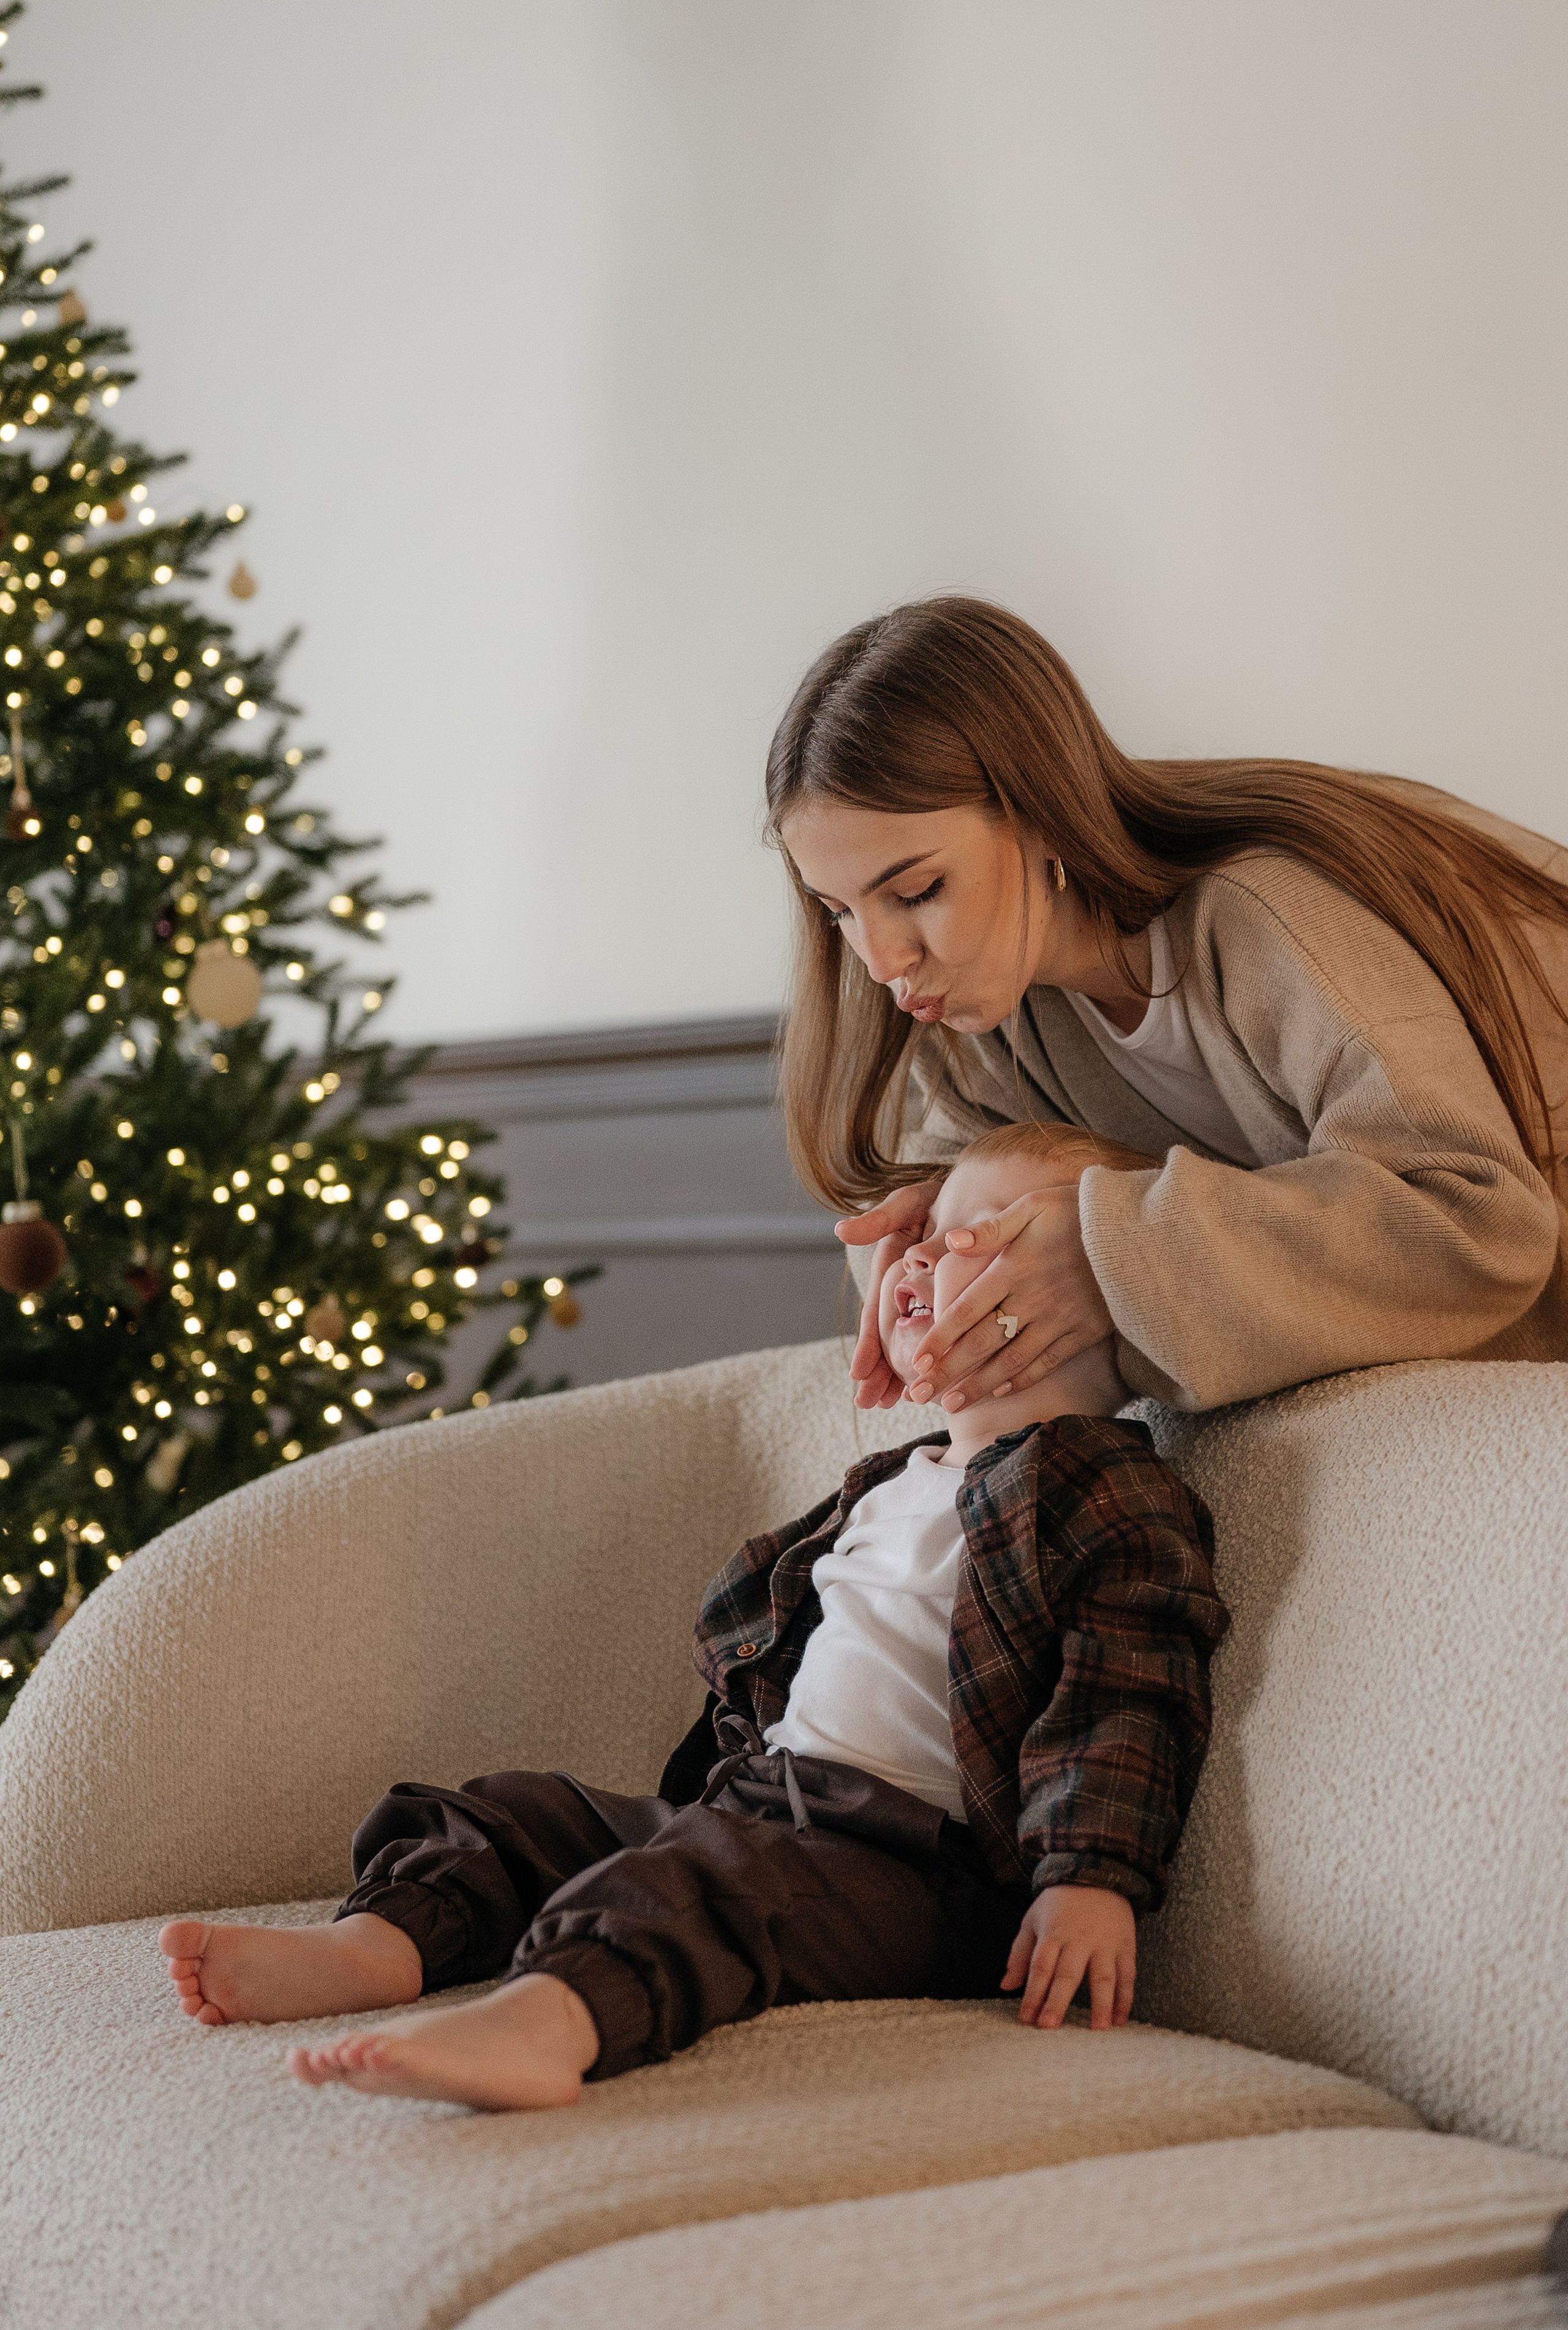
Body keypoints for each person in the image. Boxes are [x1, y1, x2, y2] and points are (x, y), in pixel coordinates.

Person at [156, 1122, 1228, 2113]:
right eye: (918, 1237)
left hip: (919, 1871)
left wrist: (1089, 1878)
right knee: (519, 1812)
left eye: (962, 1241)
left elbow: (1130, 1690)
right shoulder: (889, 1481)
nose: (909, 1262)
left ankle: (550, 2024)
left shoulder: (1101, 1489)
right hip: (768, 1803)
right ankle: (378, 1951)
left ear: (1063, 1299)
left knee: (693, 1887)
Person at [767, 596, 1568, 1418]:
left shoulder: (1266, 917)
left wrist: (1110, 1260)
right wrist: (927, 1246)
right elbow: (939, 1216)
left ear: (1041, 814)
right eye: (838, 911)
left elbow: (1479, 1225)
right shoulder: (984, 1017)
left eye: (916, 890)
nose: (882, 961)